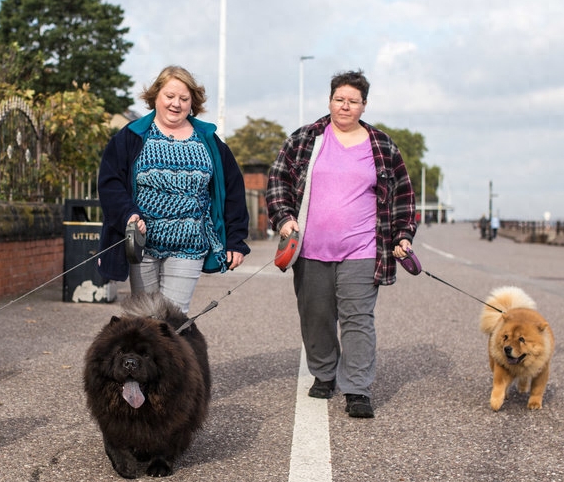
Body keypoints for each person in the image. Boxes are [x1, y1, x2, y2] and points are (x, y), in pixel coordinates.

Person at [266, 70, 416, 418]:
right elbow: (278, 179)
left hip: (363, 250)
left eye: (353, 101)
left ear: (364, 105)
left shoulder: (381, 145)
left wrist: (403, 235)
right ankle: (324, 372)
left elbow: (403, 196)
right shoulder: (306, 138)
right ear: (330, 100)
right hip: (310, 250)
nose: (345, 106)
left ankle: (357, 388)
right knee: (315, 316)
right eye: (339, 99)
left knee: (358, 319)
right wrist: (284, 218)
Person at [97, 65, 251, 313]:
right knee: (144, 319)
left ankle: (178, 353)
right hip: (142, 245)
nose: (176, 104)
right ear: (155, 97)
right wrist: (129, 214)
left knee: (173, 323)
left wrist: (235, 241)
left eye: (184, 98)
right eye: (170, 96)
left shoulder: (208, 140)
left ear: (193, 103)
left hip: (189, 246)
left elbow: (232, 191)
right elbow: (110, 183)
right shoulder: (132, 136)